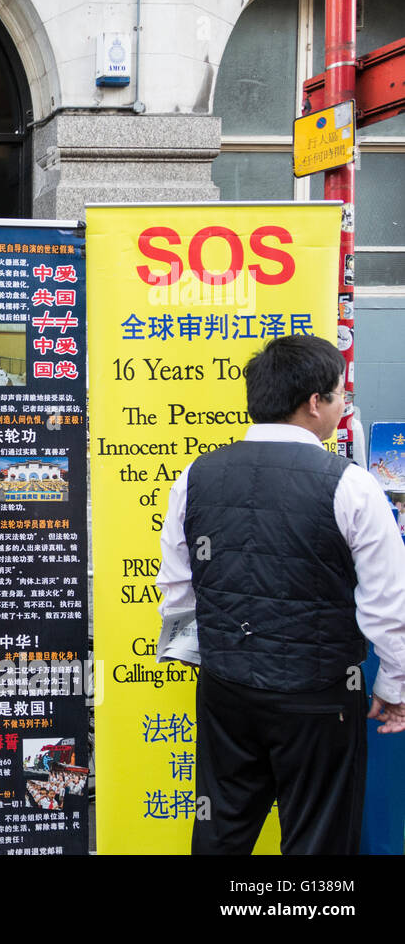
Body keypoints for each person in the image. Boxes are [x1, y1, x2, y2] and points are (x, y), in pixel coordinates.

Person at [157, 335, 405, 854]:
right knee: (318, 835)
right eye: (340, 397)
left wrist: (206, 656)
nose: (343, 409)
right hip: (319, 696)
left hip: (226, 690)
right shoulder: (352, 485)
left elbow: (178, 588)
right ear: (315, 403)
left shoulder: (195, 475)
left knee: (221, 827)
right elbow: (389, 603)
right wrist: (395, 686)